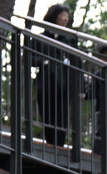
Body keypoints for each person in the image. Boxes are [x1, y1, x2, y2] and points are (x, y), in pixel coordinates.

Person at [31, 4, 75, 147]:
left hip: (64, 85)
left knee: (61, 119)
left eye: (67, 16)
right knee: (47, 116)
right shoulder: (40, 38)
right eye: (63, 15)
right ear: (54, 16)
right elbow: (30, 59)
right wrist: (45, 61)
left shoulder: (69, 40)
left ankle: (59, 147)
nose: (66, 19)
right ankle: (50, 145)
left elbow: (77, 63)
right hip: (46, 85)